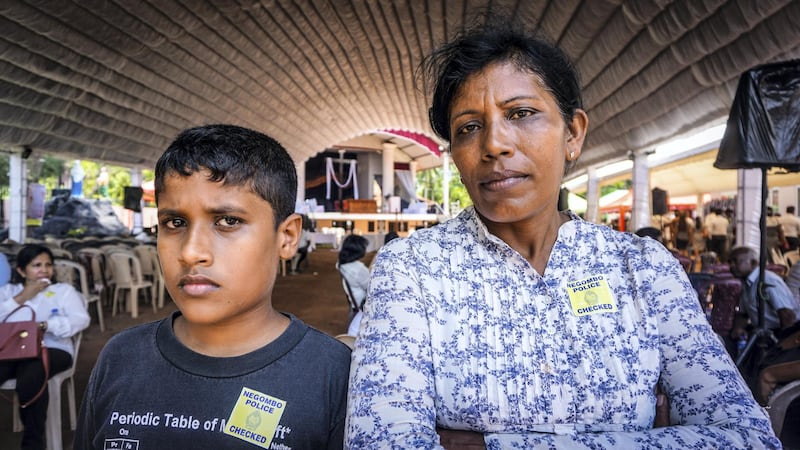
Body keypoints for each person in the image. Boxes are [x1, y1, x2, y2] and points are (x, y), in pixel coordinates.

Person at [346, 16, 779, 449]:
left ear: (573, 134)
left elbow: (748, 437)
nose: (494, 144)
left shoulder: (641, 267)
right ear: (457, 156)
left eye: (521, 113)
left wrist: (484, 444)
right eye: (469, 127)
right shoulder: (413, 270)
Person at [74, 124, 351, 449]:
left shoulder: (332, 374)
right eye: (174, 223)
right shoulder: (120, 359)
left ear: (287, 237)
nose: (191, 252)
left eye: (228, 221)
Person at [0, 244, 90, 450]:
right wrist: (21, 298)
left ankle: (33, 442)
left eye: (48, 264)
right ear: (21, 270)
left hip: (53, 347)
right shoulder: (8, 292)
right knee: (20, 370)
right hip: (10, 352)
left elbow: (80, 320)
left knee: (33, 370)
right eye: (36, 265)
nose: (44, 269)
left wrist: (46, 325)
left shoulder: (63, 291)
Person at [337, 234, 369, 336]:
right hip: (362, 307)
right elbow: (371, 287)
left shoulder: (341, 264)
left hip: (353, 305)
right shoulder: (359, 269)